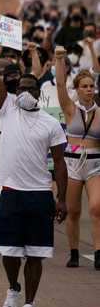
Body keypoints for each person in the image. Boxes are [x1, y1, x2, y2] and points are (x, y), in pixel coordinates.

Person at [0, 24, 68, 307]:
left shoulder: (50, 124)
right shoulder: (8, 107)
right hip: (11, 192)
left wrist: (61, 198)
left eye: (32, 88)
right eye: (23, 87)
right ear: (17, 91)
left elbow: (60, 163)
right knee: (11, 251)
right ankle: (13, 289)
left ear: (39, 92)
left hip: (40, 194)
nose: (26, 92)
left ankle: (30, 304)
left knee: (37, 253)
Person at [54, 48, 100, 269]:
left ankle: (99, 252)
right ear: (78, 89)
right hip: (72, 164)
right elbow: (60, 85)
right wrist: (59, 59)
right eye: (85, 86)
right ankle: (73, 252)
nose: (89, 90)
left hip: (95, 165)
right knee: (73, 211)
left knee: (97, 207)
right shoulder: (70, 109)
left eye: (92, 86)